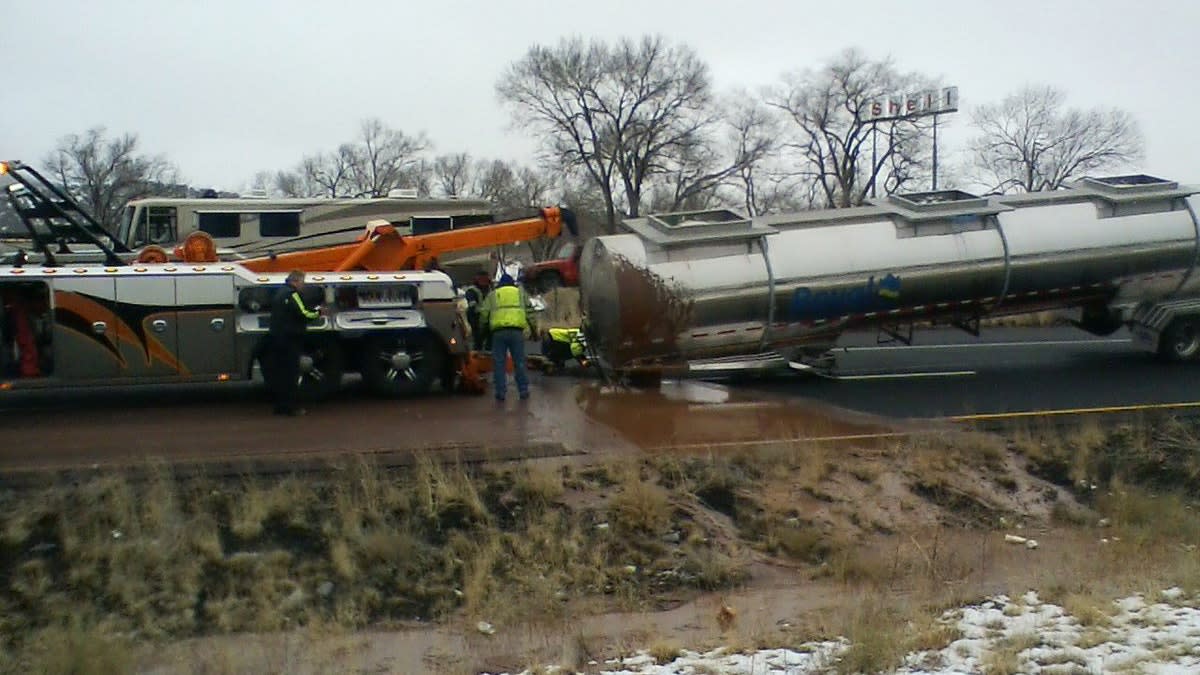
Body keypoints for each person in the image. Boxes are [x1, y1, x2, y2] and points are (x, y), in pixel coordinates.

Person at [265, 269, 320, 416]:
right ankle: (291, 408)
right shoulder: (292, 294)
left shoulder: (280, 293)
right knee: (291, 375)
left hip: (278, 338)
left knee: (281, 374)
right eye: (302, 282)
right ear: (295, 281)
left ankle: (280, 406)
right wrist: (319, 313)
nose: (303, 285)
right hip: (290, 339)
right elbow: (304, 313)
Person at [479, 273, 535, 401]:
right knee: (519, 361)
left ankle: (501, 392)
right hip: (516, 332)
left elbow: (483, 314)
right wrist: (534, 329)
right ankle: (523, 390)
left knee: (499, 363)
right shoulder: (520, 293)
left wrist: (482, 330)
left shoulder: (493, 294)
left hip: (498, 333)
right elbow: (530, 312)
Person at [462, 270, 492, 350]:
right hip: (476, 319)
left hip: (490, 319)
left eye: (485, 278)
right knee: (478, 340)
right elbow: (472, 306)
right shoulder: (472, 290)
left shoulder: (491, 289)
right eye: (481, 279)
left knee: (490, 340)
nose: (484, 281)